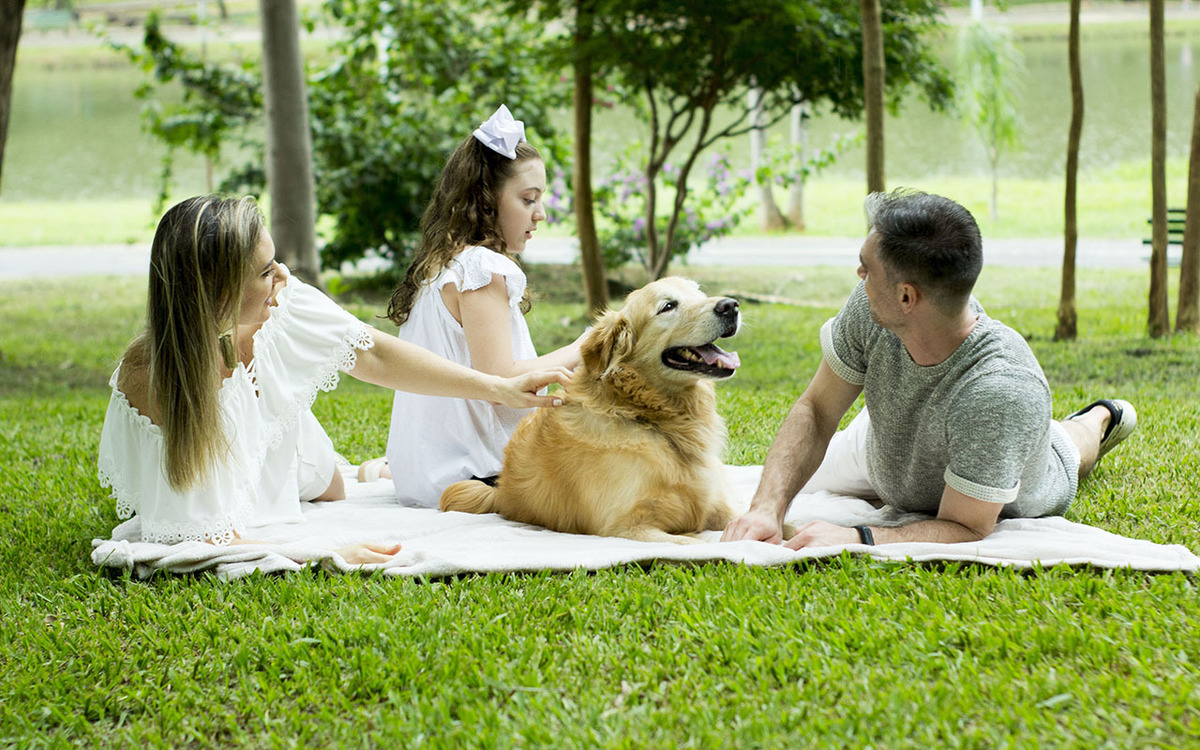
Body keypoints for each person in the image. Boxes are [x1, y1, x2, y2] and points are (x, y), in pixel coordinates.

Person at [97, 195, 570, 563]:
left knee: (333, 488)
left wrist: (497, 387)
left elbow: (374, 353)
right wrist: (324, 552)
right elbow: (198, 539)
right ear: (218, 292)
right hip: (226, 472)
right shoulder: (152, 379)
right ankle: (369, 471)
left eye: (275, 261)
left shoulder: (282, 302)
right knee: (260, 508)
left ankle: (370, 471)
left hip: (287, 443)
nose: (283, 275)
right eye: (264, 271)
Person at [722, 189, 1137, 549]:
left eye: (867, 267)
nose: (860, 275)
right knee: (773, 481)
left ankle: (1100, 417)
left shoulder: (1002, 392)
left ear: (906, 297)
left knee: (1066, 446)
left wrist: (858, 537)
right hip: (884, 447)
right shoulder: (871, 306)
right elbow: (816, 411)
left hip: (1005, 462)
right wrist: (766, 508)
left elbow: (966, 526)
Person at [382, 104, 589, 507]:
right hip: (471, 475)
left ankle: (379, 469)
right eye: (528, 200)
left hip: (424, 474)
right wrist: (581, 348)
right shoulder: (481, 267)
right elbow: (500, 383)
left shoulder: (443, 263)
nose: (541, 214)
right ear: (487, 200)